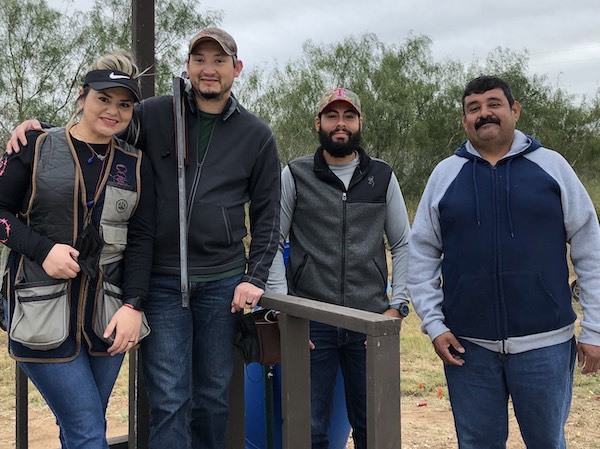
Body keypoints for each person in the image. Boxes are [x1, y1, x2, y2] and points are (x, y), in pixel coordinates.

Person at [6, 27, 281, 449]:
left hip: (221, 281)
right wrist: (39, 130)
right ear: (187, 66)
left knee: (213, 398)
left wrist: (255, 277)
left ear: (236, 68)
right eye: (200, 60)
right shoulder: (154, 113)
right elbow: (94, 130)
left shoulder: (256, 135)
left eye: (219, 61)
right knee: (169, 399)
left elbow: (267, 215)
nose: (208, 69)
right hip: (161, 280)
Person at [408, 75, 600, 448]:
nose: (484, 113)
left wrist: (595, 328)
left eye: (493, 104)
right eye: (473, 108)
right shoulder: (445, 174)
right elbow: (422, 251)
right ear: (464, 120)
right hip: (468, 348)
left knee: (547, 442)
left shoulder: (552, 166)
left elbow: (589, 247)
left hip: (546, 344)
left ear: (514, 110)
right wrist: (433, 323)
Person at [0, 50, 155, 449]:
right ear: (82, 96)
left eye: (124, 104)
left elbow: (141, 239)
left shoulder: (135, 163)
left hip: (107, 316)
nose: (113, 111)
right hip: (39, 311)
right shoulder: (34, 145)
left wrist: (134, 305)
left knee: (82, 426)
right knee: (87, 430)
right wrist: (42, 250)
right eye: (103, 98)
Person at [266, 87, 410, 449]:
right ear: (318, 123)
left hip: (370, 320)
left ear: (360, 123)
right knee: (307, 427)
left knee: (373, 426)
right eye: (332, 116)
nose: (340, 123)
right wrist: (285, 311)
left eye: (349, 116)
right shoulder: (295, 174)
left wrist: (397, 306)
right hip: (311, 320)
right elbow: (271, 243)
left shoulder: (382, 176)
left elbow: (404, 244)